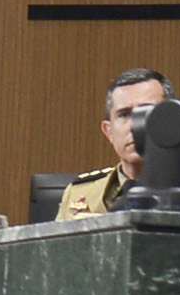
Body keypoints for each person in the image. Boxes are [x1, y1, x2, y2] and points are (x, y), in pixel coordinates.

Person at [56, 68, 171, 220]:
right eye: (124, 115)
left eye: (146, 113)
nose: (133, 126)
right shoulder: (79, 193)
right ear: (108, 131)